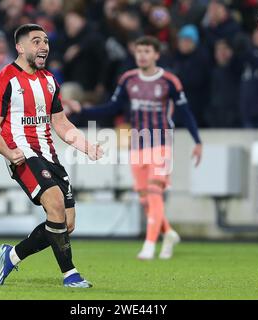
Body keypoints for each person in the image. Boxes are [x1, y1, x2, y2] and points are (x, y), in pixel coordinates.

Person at [0, 24, 103, 288]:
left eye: (46, 42)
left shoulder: (49, 80)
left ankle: (11, 255)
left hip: (48, 154)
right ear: (20, 47)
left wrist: (86, 145)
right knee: (56, 203)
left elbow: (60, 123)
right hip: (23, 155)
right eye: (36, 41)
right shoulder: (4, 80)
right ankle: (70, 274)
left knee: (65, 223)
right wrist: (8, 152)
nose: (44, 47)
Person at [76, 36, 202, 260]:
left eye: (146, 51)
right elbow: (112, 107)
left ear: (156, 54)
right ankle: (169, 233)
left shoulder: (169, 81)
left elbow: (185, 112)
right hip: (137, 144)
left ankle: (149, 245)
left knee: (155, 194)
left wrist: (197, 141)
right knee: (145, 199)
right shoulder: (128, 79)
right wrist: (83, 111)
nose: (142, 55)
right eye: (139, 51)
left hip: (161, 143)